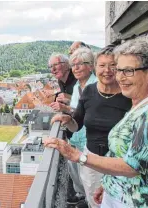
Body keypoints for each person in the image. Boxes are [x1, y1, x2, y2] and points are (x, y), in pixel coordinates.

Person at [44, 38, 148, 208]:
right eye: (120, 70)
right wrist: (106, 184)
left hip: (132, 197)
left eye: (128, 70)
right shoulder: (93, 91)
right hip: (110, 180)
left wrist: (78, 156)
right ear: (95, 67)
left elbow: (132, 164)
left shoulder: (136, 103)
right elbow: (78, 120)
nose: (119, 76)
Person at [66, 47, 97, 208]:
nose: (76, 68)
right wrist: (66, 111)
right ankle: (86, 200)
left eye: (80, 64)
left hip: (91, 144)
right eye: (73, 65)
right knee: (85, 181)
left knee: (93, 183)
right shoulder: (77, 86)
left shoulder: (96, 86)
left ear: (90, 66)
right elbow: (77, 111)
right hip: (77, 141)